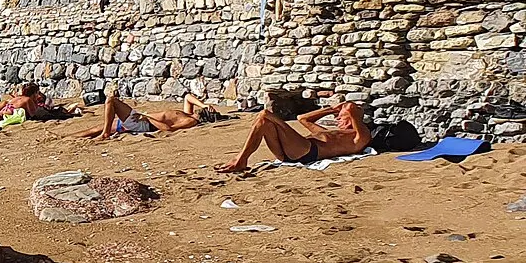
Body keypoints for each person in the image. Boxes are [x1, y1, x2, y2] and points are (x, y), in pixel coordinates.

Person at [218, 97, 371, 174]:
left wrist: (347, 110)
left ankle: (241, 159)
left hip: (308, 152)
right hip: (290, 153)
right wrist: (331, 109)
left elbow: (352, 108)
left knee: (264, 114)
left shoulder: (359, 137)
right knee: (264, 122)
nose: (337, 119)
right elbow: (302, 118)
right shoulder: (325, 131)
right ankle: (242, 159)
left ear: (352, 118)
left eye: (341, 117)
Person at [79, 90, 221, 139]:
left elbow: (168, 129)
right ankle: (64, 137)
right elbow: (188, 97)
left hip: (143, 123)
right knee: (94, 129)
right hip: (140, 119)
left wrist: (147, 117)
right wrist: (204, 105)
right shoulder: (188, 114)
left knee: (111, 101)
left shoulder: (191, 121)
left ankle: (105, 134)